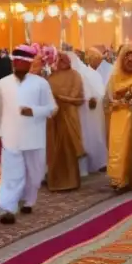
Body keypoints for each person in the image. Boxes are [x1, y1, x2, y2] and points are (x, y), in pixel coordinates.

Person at [0, 44, 57, 224]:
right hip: (10, 136)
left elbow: (52, 109)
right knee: (11, 173)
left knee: (35, 174)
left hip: (34, 136)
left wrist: (34, 111)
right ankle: (8, 208)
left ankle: (29, 199)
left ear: (29, 64)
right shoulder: (2, 83)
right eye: (16, 61)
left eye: (22, 62)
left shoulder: (41, 84)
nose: (18, 65)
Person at [105, 44, 132, 191]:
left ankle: (127, 178)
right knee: (116, 146)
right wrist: (114, 103)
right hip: (116, 116)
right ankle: (116, 177)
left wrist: (119, 102)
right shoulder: (115, 77)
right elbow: (108, 96)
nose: (130, 59)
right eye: (127, 56)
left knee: (129, 146)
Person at [46, 51, 85, 192]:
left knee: (68, 149)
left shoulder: (75, 75)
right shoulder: (51, 77)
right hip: (54, 118)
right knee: (54, 149)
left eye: (64, 59)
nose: (61, 61)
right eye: (59, 59)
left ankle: (71, 181)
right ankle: (55, 181)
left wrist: (61, 98)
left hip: (69, 115)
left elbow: (78, 97)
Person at [70, 52, 107, 175]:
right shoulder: (88, 74)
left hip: (86, 112)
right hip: (74, 112)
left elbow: (100, 94)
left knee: (87, 137)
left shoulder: (89, 74)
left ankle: (89, 165)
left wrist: (91, 99)